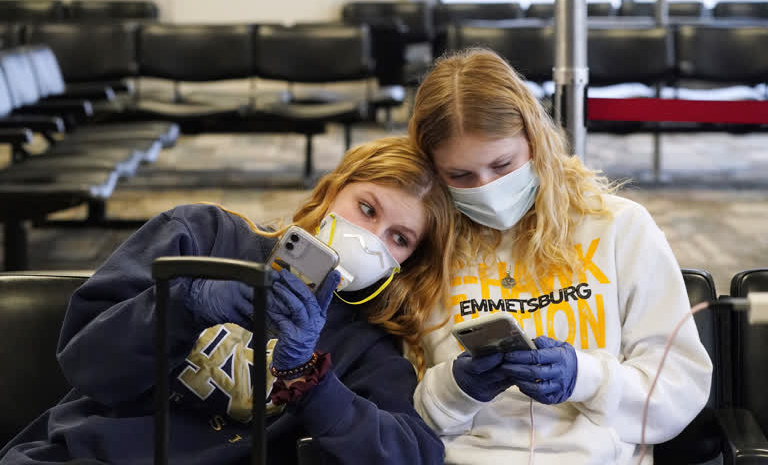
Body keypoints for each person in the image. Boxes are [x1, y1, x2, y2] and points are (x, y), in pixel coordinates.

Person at [0, 136, 454, 465]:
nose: (369, 238)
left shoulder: (365, 343)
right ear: (333, 191)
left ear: (406, 263)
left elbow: (414, 453)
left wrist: (308, 381)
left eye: (398, 238)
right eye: (367, 208)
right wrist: (185, 303)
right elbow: (87, 362)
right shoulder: (201, 234)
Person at [408, 48, 713, 464]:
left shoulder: (619, 228)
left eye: (503, 165)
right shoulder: (426, 244)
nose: (486, 188)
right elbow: (397, 417)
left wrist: (586, 379)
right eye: (460, 176)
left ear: (535, 141)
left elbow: (679, 387)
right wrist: (456, 389)